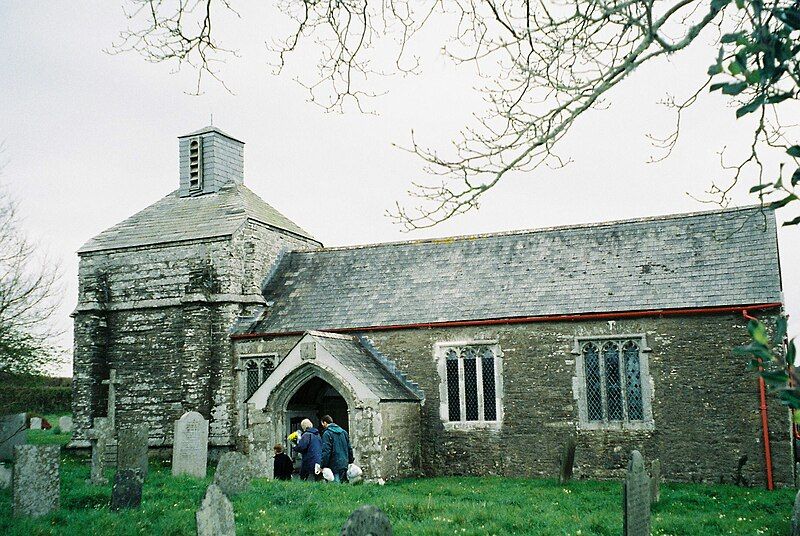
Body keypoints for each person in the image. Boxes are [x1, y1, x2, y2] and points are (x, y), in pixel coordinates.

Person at [320, 414, 354, 483]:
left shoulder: (327, 433)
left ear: (325, 422)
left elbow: (326, 451)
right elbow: (349, 448)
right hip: (344, 464)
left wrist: (323, 465)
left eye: (322, 424)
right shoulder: (344, 432)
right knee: (344, 487)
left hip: (333, 465)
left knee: (335, 488)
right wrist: (350, 461)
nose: (322, 426)